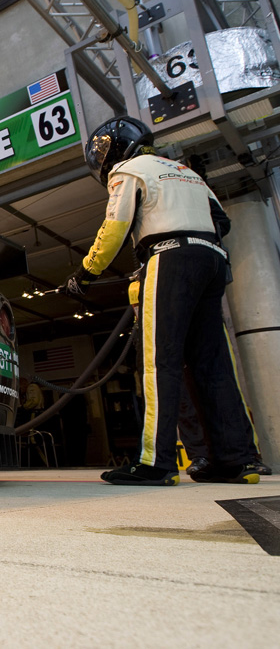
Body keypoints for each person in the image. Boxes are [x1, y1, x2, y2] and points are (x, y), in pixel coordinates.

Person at [64, 116, 260, 486]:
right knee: (214, 364)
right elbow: (221, 221)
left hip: (170, 258)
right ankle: (237, 460)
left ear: (113, 150)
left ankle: (157, 463)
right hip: (212, 260)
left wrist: (84, 274)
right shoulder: (186, 172)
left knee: (159, 363)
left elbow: (115, 227)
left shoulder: (127, 171)